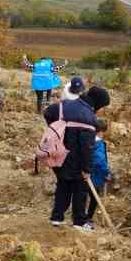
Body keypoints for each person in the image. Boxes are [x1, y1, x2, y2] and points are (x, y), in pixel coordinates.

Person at [44, 84, 99, 231]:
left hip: (60, 155)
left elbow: (47, 112)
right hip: (77, 159)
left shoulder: (66, 104)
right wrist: (87, 169)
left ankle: (57, 218)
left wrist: (56, 129)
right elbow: (87, 148)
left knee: (63, 186)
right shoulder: (90, 117)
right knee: (80, 190)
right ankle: (79, 222)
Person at [82, 118, 111, 224]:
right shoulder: (99, 143)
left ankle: (81, 217)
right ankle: (87, 218)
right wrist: (107, 172)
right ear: (101, 131)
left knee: (82, 196)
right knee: (94, 197)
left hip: (83, 172)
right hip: (93, 175)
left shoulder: (87, 140)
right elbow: (100, 160)